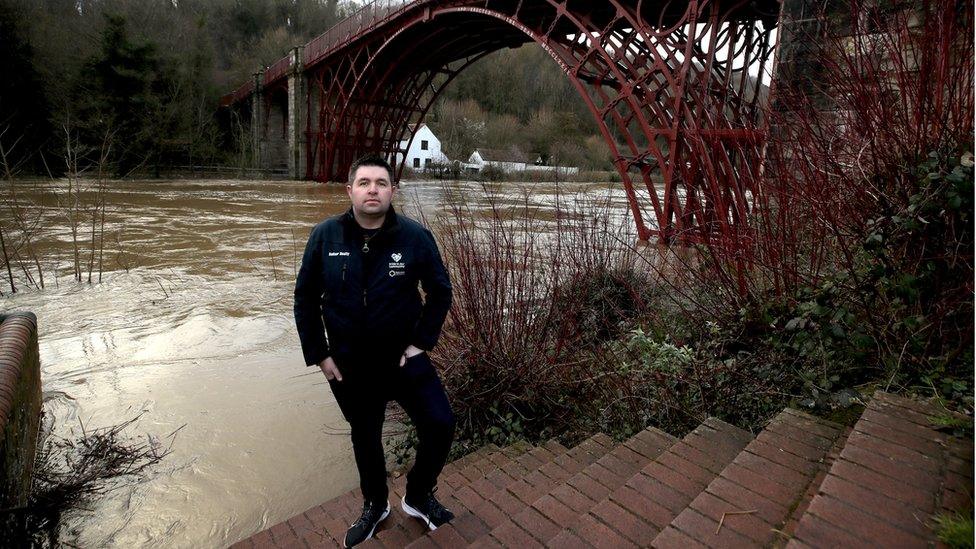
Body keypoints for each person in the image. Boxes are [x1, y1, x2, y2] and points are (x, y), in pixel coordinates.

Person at [293, 155, 455, 547]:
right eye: (364, 182)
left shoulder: (415, 237)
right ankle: (375, 504)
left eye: (380, 183)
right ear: (350, 190)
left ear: (391, 191)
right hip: (350, 365)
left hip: (404, 360)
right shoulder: (325, 236)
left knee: (440, 423)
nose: (372, 190)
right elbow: (304, 298)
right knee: (365, 437)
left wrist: (420, 343)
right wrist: (320, 354)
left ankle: (417, 496)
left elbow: (440, 292)